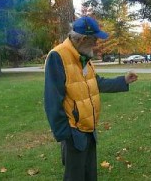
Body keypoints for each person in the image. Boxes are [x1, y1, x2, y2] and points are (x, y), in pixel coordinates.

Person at [44, 16, 138, 181]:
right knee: (75, 177)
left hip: (89, 129)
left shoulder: (84, 57)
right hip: (73, 133)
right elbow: (52, 100)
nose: (96, 44)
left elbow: (96, 83)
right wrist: (65, 135)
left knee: (89, 175)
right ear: (84, 39)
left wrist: (123, 81)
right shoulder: (57, 56)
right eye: (94, 39)